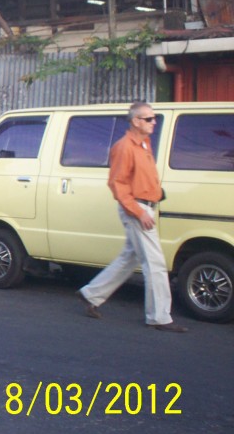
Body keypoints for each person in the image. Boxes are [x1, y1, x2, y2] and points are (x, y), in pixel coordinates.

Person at [78, 102, 188, 332]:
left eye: (153, 118)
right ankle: (159, 317)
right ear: (136, 121)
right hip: (136, 208)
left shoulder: (144, 144)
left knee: (130, 257)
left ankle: (91, 294)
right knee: (155, 264)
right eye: (149, 119)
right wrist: (139, 212)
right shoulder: (124, 147)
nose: (153, 122)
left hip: (145, 206)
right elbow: (117, 185)